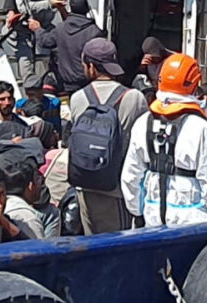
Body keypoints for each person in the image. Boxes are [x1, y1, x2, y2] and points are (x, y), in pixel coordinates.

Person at [121, 51, 207, 228]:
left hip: (152, 223)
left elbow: (130, 177)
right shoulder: (202, 129)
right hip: (193, 228)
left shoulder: (143, 123)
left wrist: (138, 212)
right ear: (194, 85)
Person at [63, 36, 148, 233]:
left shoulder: (77, 99)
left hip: (85, 184)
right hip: (117, 188)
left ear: (91, 66)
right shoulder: (134, 98)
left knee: (92, 246)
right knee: (119, 245)